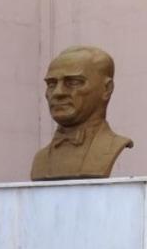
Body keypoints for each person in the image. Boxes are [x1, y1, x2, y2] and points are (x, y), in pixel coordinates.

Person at [30, 45, 133, 181]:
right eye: (51, 84)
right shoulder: (40, 159)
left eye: (73, 82)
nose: (57, 93)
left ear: (106, 89)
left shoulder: (111, 146)